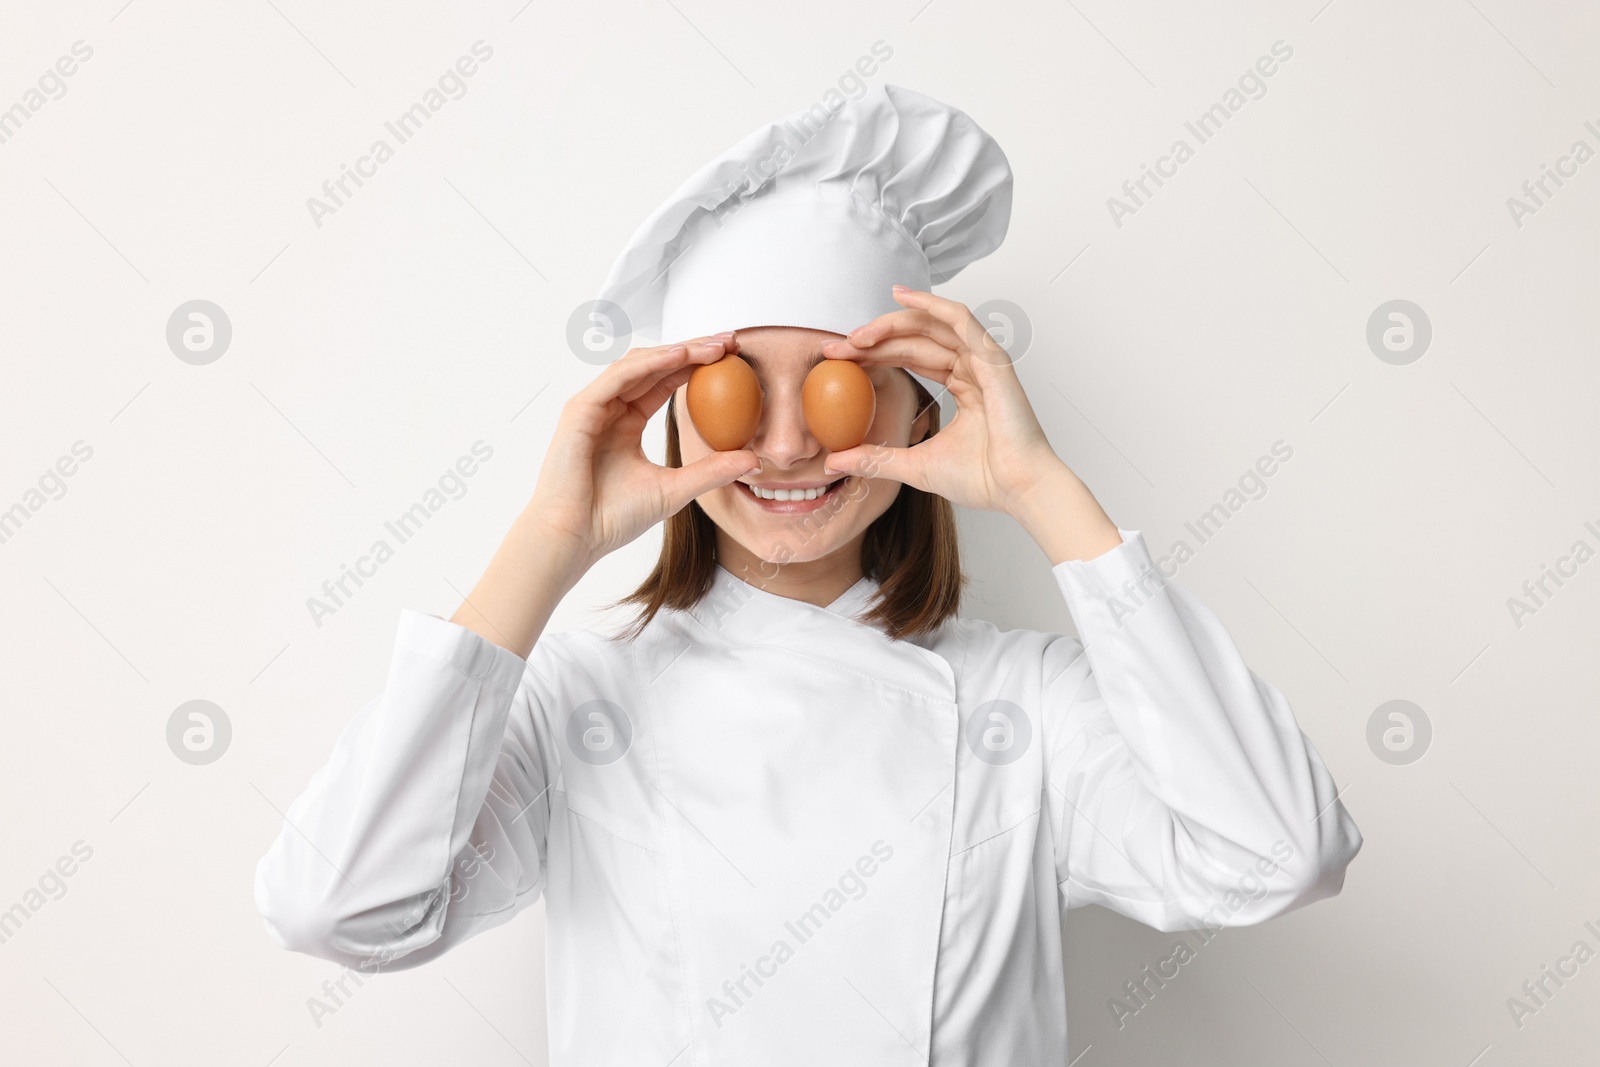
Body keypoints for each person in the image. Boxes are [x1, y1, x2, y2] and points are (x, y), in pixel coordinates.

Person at [254, 84, 1361, 1066]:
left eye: (837, 384)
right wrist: (549, 539)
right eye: (738, 388)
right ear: (678, 415)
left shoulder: (1020, 705)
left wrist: (1041, 488)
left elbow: (1279, 853)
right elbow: (334, 906)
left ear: (916, 405)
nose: (787, 447)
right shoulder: (577, 707)